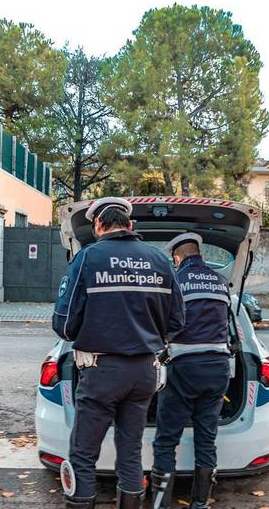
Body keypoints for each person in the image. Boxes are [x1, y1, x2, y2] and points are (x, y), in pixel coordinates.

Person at [52, 197, 185, 509]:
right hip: (144, 373)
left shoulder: (87, 258)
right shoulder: (160, 260)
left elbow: (64, 324)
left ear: (98, 225)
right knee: (130, 451)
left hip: (102, 373)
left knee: (83, 453)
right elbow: (178, 321)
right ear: (131, 225)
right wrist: (151, 336)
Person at [151, 233, 232, 509]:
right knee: (206, 439)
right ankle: (200, 504)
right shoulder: (221, 282)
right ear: (201, 255)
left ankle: (161, 505)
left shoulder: (175, 281)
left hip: (184, 369)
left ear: (176, 257)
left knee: (165, 440)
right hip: (219, 369)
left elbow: (162, 325)